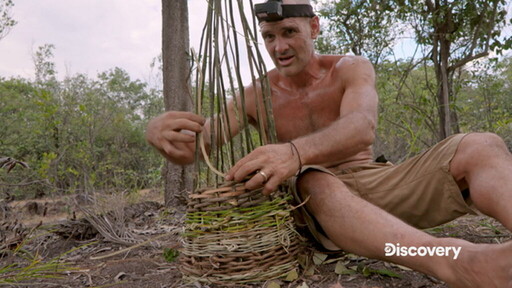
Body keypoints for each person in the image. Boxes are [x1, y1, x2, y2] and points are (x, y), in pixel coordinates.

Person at [146, 0, 512, 286]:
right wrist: (161, 134)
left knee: (481, 144)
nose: (279, 46)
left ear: (314, 27)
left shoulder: (349, 68)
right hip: (313, 206)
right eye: (269, 37)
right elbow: (199, 147)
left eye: (289, 32)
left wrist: (293, 151)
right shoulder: (255, 94)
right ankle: (461, 264)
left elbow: (361, 127)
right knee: (311, 179)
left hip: (373, 183)